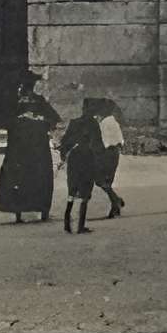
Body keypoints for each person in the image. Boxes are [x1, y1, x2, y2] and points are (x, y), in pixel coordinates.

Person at [0, 75, 59, 224]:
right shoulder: (16, 103)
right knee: (25, 177)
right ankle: (23, 211)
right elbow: (5, 121)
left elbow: (52, 120)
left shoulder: (38, 102)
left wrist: (36, 120)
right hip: (25, 148)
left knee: (30, 177)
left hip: (30, 148)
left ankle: (36, 210)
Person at [59, 100, 103, 235]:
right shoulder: (94, 124)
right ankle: (80, 225)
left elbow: (64, 142)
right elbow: (99, 145)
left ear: (83, 109)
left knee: (72, 189)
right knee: (85, 192)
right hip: (87, 159)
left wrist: (63, 156)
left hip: (74, 158)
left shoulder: (74, 123)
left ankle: (67, 223)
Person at [92, 102, 125, 218]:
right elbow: (121, 141)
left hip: (107, 153)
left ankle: (115, 201)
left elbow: (102, 141)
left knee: (100, 179)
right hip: (114, 153)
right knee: (107, 181)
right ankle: (115, 205)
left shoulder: (105, 123)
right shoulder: (113, 121)